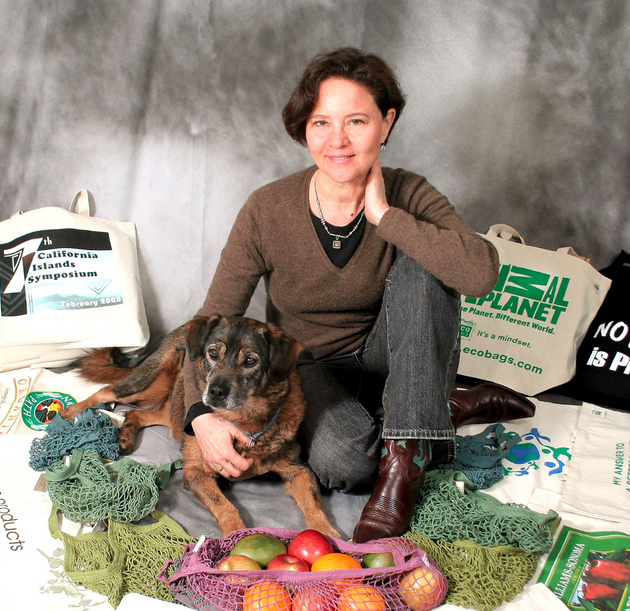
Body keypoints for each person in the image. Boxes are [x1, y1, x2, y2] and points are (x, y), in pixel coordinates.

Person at [184, 47, 535, 542]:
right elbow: (208, 322)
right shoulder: (267, 209)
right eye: (322, 123)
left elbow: (480, 274)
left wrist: (386, 217)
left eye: (357, 121)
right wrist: (199, 417)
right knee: (345, 464)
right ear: (304, 129)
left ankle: (405, 464)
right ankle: (441, 410)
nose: (338, 140)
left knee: (423, 267)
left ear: (386, 124)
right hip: (316, 370)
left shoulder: (408, 192)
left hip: (398, 354)